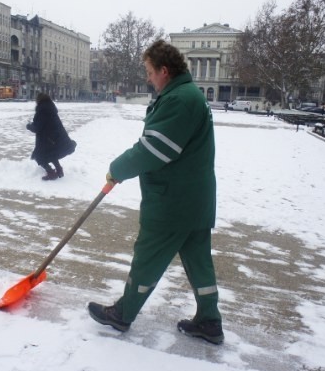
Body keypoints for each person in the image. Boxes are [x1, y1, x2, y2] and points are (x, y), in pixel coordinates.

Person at [87, 40, 224, 345]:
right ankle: (210, 321)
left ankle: (123, 313)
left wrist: (117, 169)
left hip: (173, 201)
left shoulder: (180, 100)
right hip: (194, 200)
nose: (148, 78)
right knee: (199, 262)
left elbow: (153, 150)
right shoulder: (185, 95)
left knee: (148, 256)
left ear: (164, 70)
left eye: (150, 72)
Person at [26, 93, 76, 180]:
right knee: (51, 154)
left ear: (38, 100)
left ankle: (51, 173)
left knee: (39, 157)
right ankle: (59, 170)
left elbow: (37, 128)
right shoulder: (51, 109)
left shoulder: (41, 110)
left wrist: (29, 126)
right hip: (55, 138)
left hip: (47, 139)